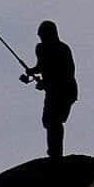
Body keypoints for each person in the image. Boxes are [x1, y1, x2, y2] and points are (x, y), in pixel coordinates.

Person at [20, 20, 77, 159]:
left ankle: (55, 153)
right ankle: (54, 152)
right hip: (53, 91)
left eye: (43, 35)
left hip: (65, 91)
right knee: (49, 120)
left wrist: (46, 83)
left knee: (54, 120)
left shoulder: (63, 49)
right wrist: (31, 71)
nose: (41, 39)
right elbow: (41, 66)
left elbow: (66, 72)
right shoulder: (41, 48)